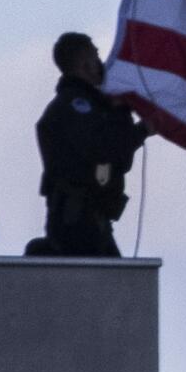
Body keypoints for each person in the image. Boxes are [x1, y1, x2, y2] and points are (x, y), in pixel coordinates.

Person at [28, 32, 150, 257]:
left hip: (91, 220)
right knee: (104, 283)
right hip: (77, 223)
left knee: (113, 283)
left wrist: (126, 118)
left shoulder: (90, 107)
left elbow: (116, 156)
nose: (100, 64)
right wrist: (137, 128)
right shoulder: (76, 106)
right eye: (95, 56)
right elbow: (105, 151)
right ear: (85, 65)